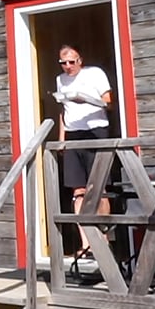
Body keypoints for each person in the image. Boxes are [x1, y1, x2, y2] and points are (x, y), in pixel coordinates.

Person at [54, 44, 113, 259]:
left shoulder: (95, 74)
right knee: (78, 190)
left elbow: (109, 102)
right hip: (73, 134)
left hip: (96, 130)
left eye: (72, 61)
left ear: (80, 60)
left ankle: (103, 240)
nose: (68, 66)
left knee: (99, 187)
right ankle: (86, 243)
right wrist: (61, 139)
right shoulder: (60, 80)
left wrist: (86, 99)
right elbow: (63, 110)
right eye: (64, 63)